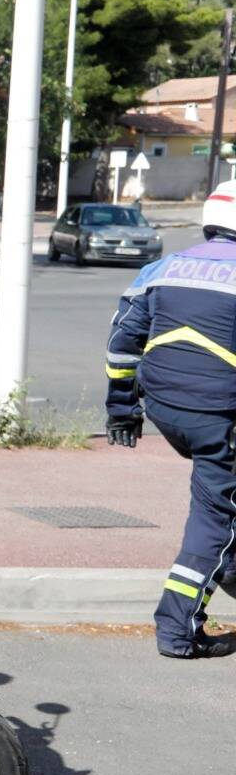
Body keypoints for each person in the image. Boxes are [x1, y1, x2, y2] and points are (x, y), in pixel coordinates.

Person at [104, 180, 236, 659]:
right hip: (220, 417)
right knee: (215, 520)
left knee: (219, 505)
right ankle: (178, 630)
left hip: (165, 410)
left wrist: (122, 410)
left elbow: (121, 346)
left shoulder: (160, 269)